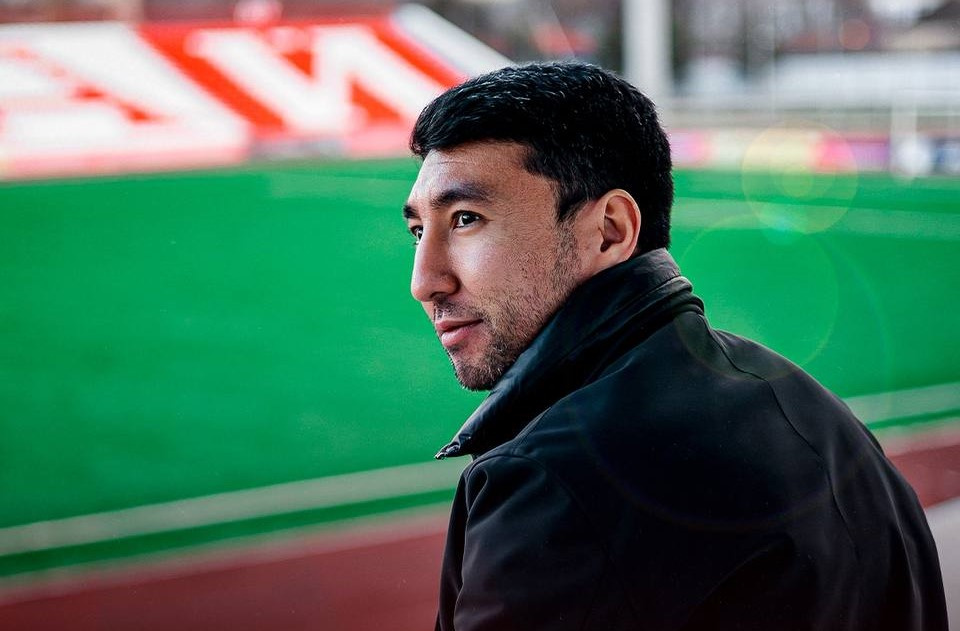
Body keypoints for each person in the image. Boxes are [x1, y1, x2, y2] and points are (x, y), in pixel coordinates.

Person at [401, 62, 946, 631]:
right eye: (418, 232)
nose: (424, 282)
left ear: (610, 230)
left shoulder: (554, 485)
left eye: (466, 219)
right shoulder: (823, 420)